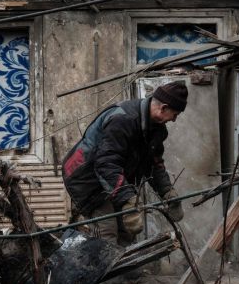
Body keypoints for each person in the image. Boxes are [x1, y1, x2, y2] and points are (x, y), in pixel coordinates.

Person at [61, 81, 187, 244]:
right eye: (175, 114)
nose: (174, 120)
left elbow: (154, 164)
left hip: (111, 178)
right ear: (163, 108)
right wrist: (127, 199)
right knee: (106, 233)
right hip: (86, 179)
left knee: (127, 231)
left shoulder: (157, 130)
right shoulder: (122, 120)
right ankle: (101, 268)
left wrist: (168, 193)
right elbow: (106, 163)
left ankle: (122, 269)